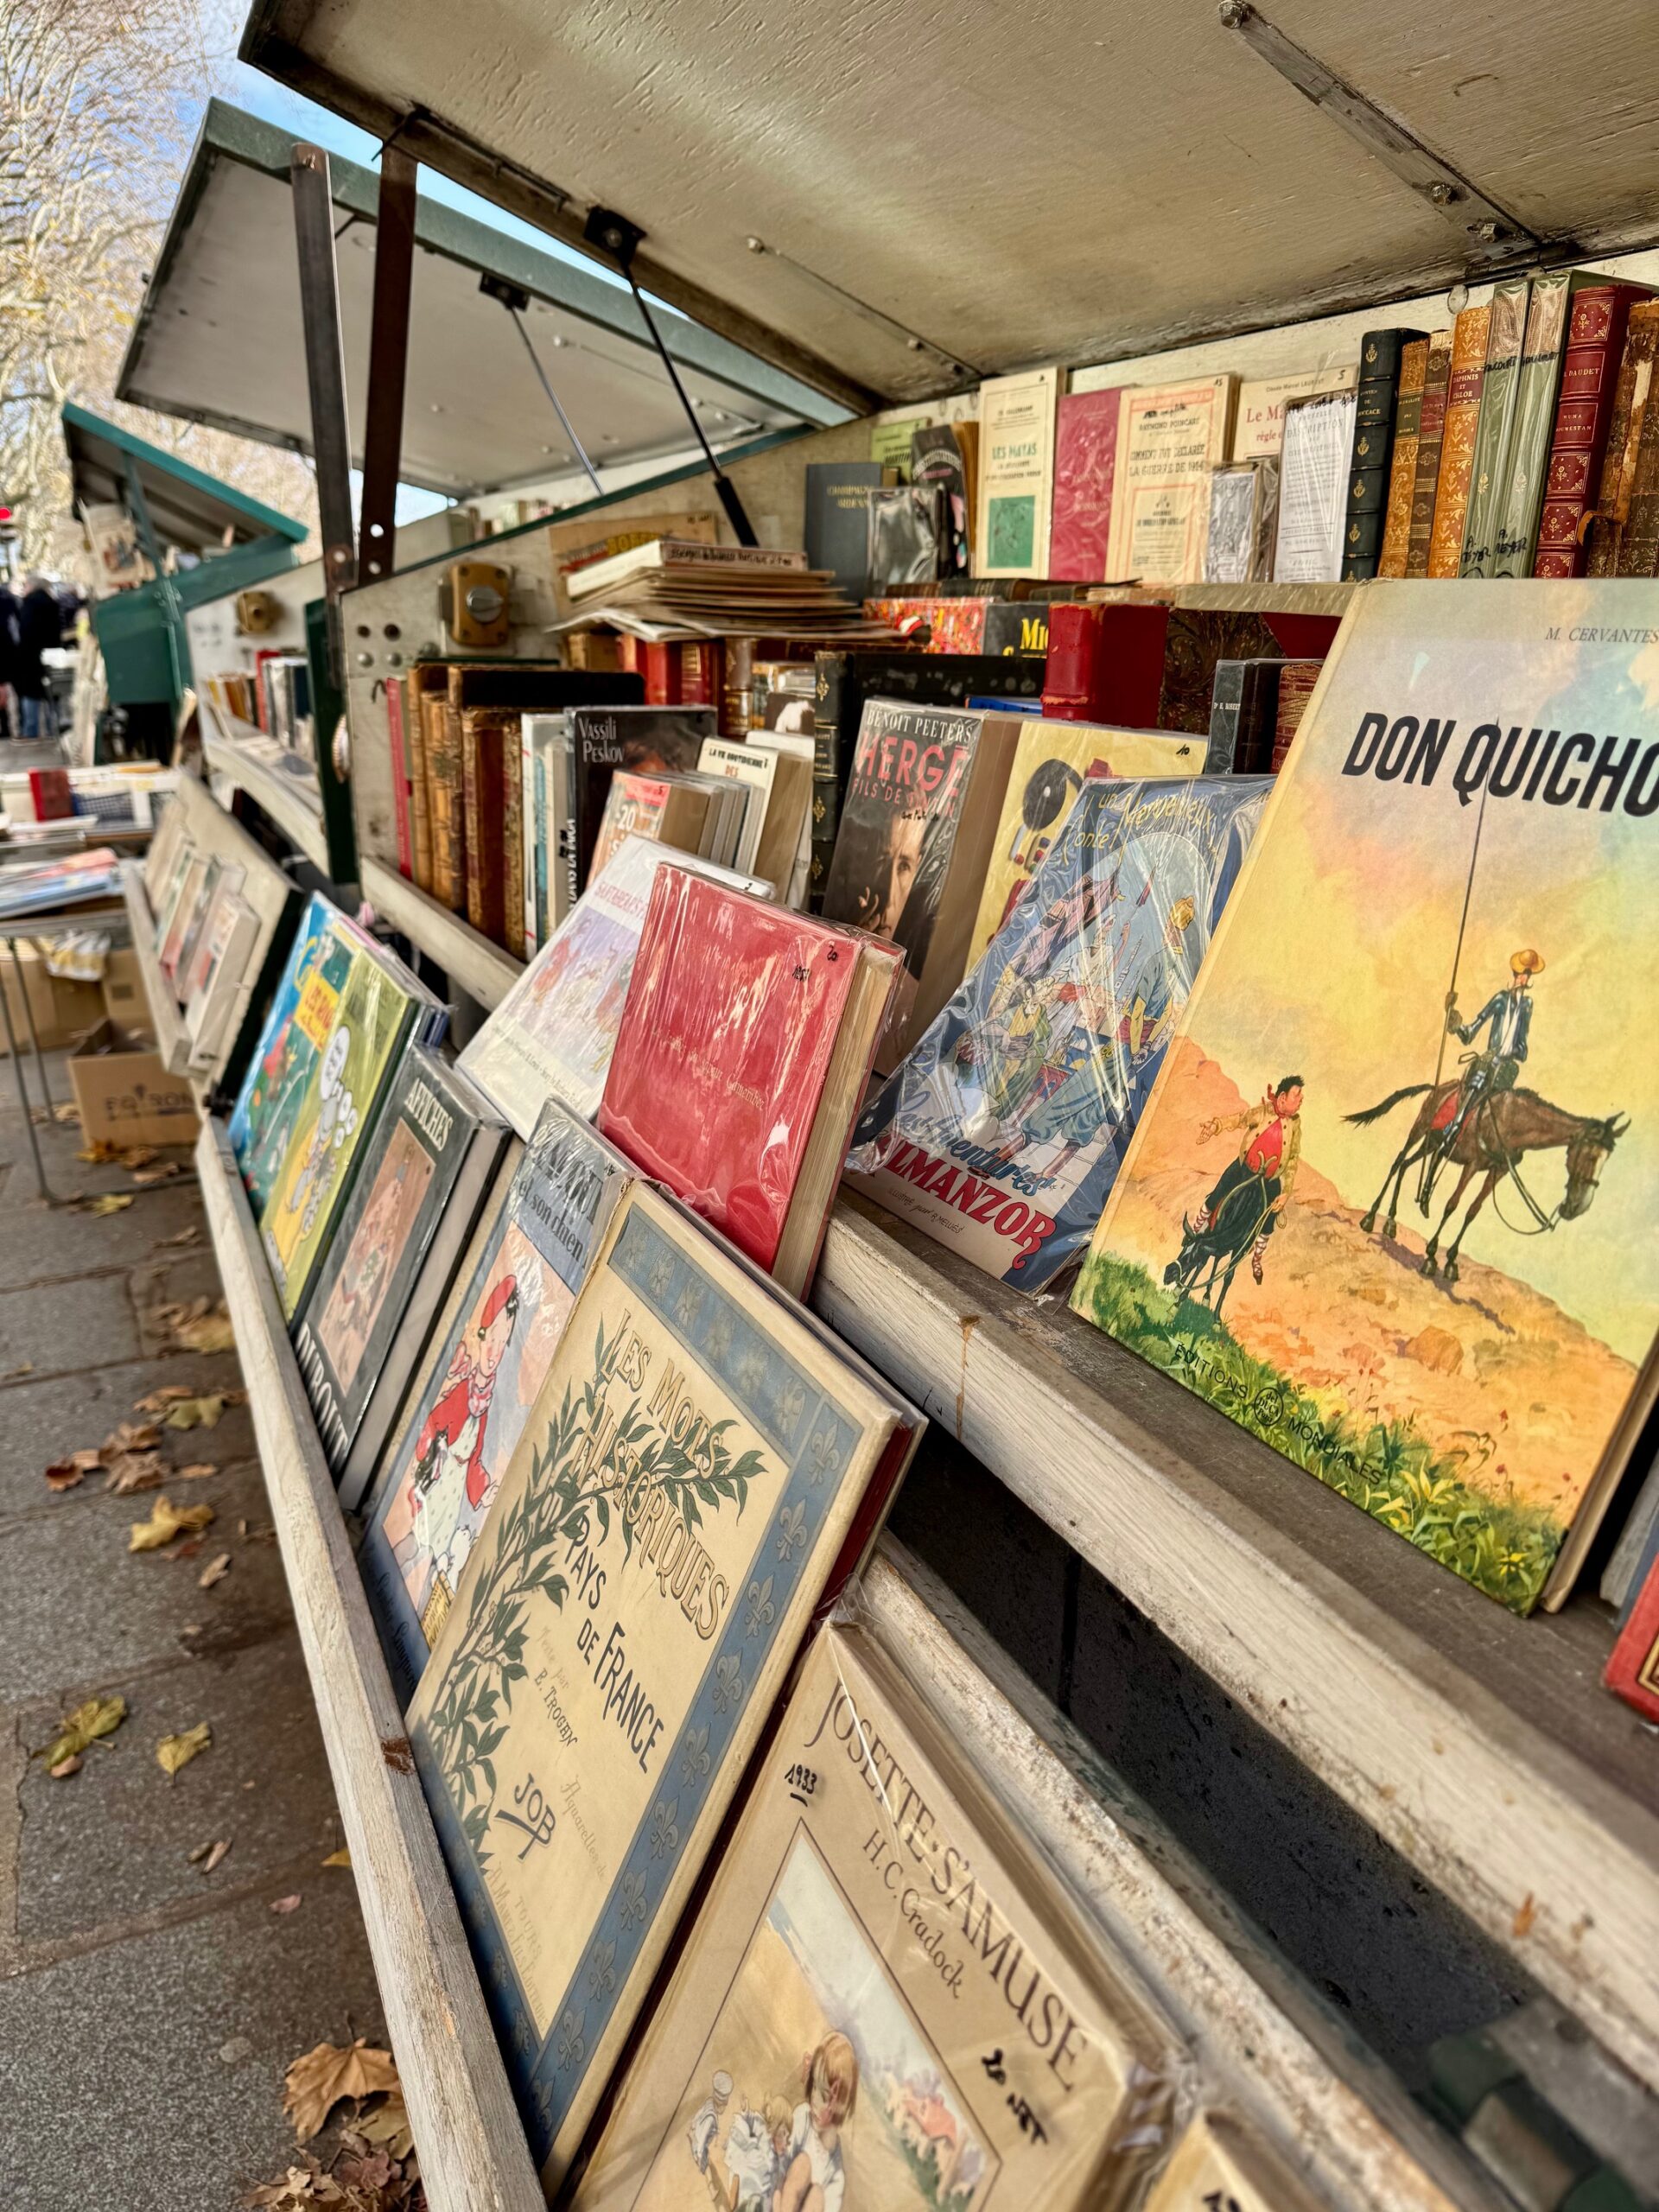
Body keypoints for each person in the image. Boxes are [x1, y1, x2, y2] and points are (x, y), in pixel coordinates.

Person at [1194, 1075, 1305, 1286]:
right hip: (1245, 1169)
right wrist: (1215, 1126)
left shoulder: (1295, 1126)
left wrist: (1285, 1192)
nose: (1301, 1099)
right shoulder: (1263, 1111)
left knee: (1270, 1218)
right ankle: (1197, 1228)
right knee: (1219, 1191)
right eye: (1297, 1095)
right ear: (1283, 1097)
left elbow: (1292, 1159)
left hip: (1269, 1179)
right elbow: (1239, 1119)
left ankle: (1257, 1258)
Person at [1439, 950, 1541, 1147]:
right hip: (1491, 1060)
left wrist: (1519, 1051)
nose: (1524, 978)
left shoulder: (1527, 1005)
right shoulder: (1500, 999)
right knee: (1476, 1087)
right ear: (1514, 974)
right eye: (1521, 973)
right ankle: (1455, 1126)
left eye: (1527, 974)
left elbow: (1523, 1036)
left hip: (1509, 1066)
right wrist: (1455, 1021)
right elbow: (1472, 1030)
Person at [775, 2035, 857, 2212]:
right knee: (803, 2164)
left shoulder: (836, 2176)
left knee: (818, 2195)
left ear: (841, 2105)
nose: (814, 2100)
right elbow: (777, 2167)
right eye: (814, 2088)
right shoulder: (803, 2117)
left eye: (825, 2097)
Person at [15, 573, 62, 741]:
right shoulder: (52, 603)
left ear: (32, 586)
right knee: (52, 694)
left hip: (30, 657)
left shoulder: (29, 604)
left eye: (25, 585)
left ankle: (31, 732)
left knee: (30, 695)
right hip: (52, 655)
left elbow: (25, 631)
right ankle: (53, 731)